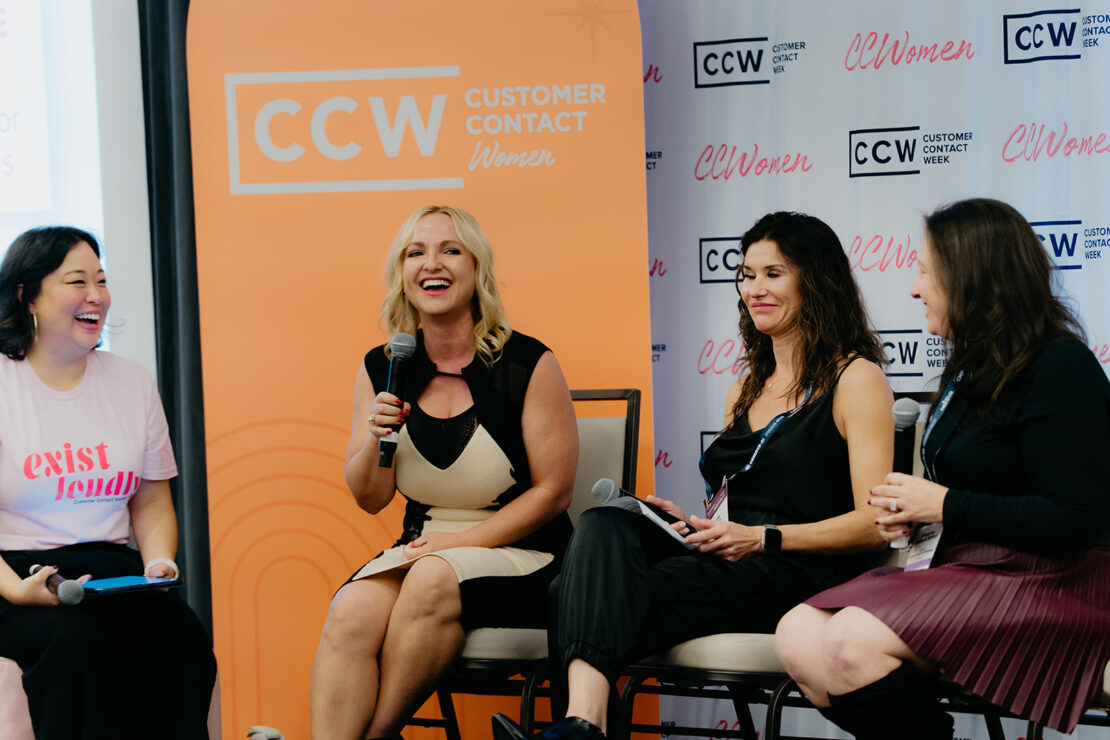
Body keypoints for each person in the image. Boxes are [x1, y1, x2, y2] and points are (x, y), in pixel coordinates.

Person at [493, 211, 895, 740]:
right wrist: (689, 523)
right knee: (604, 522)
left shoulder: (856, 378)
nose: (754, 289)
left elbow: (875, 524)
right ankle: (582, 726)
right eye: (747, 275)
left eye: (773, 274)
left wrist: (764, 538)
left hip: (798, 572)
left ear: (817, 280)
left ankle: (579, 727)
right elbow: (731, 504)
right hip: (729, 561)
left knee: (572, 592)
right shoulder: (745, 389)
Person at [775, 198, 1110, 739]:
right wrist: (917, 514)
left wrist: (945, 504)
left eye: (926, 272)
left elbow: (1075, 518)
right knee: (796, 634)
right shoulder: (970, 366)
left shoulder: (1060, 366)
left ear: (974, 279)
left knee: (850, 641)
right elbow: (980, 493)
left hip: (1056, 581)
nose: (914, 289)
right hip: (972, 567)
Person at [310, 205, 578, 740]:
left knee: (432, 577)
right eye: (416, 253)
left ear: (476, 267)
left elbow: (553, 491)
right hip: (423, 547)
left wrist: (459, 545)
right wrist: (376, 436)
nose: (431, 263)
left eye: (450, 250)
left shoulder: (527, 363)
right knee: (351, 609)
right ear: (402, 274)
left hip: (525, 553)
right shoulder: (383, 366)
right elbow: (369, 497)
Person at [0, 226, 216, 739]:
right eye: (78, 281)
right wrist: (17, 590)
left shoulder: (130, 380)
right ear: (27, 293)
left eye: (101, 280)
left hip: (109, 572)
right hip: (15, 575)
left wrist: (158, 562)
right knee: (74, 643)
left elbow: (152, 497)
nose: (96, 295)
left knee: (178, 637)